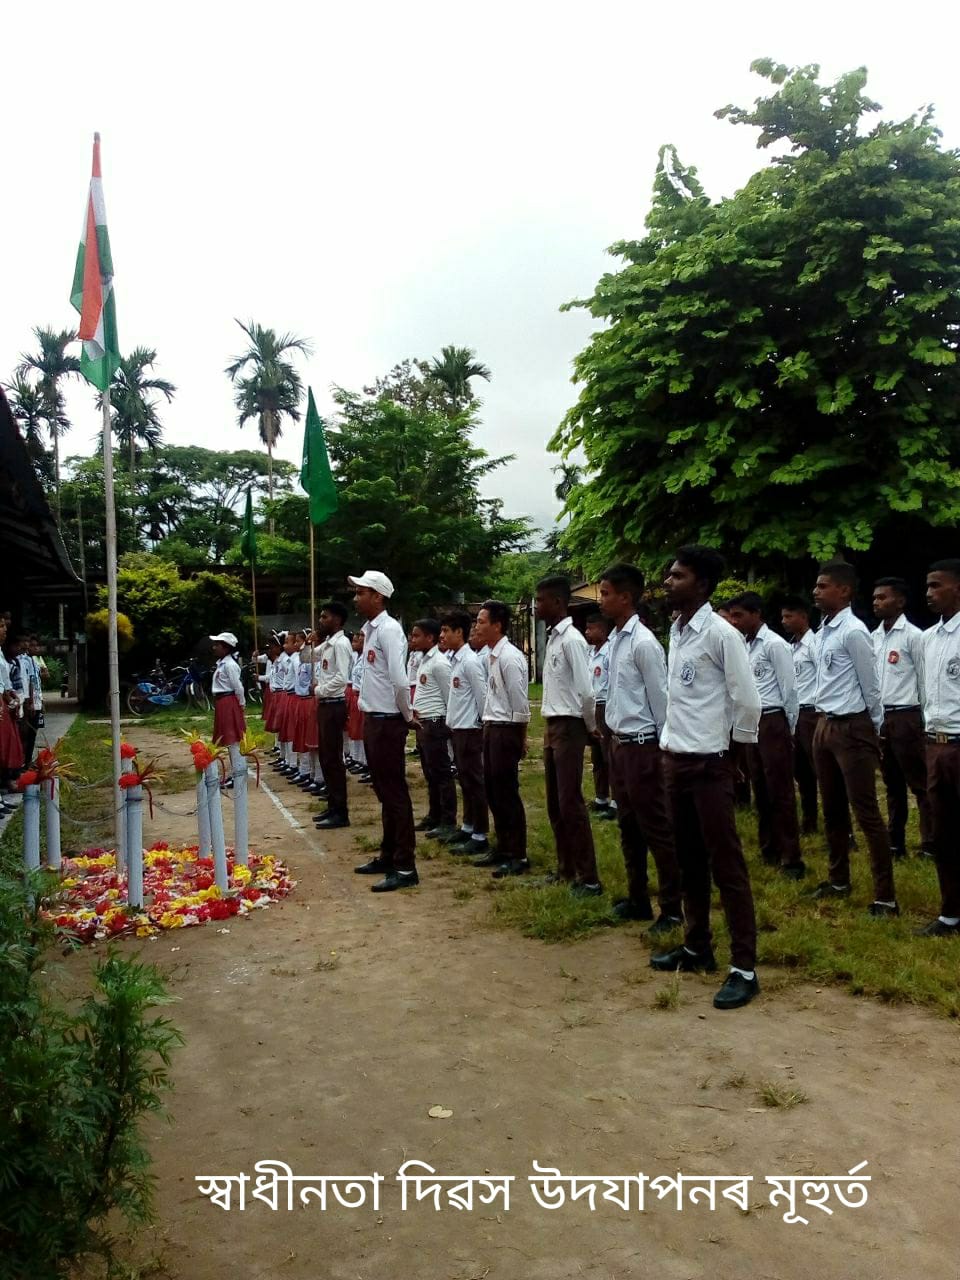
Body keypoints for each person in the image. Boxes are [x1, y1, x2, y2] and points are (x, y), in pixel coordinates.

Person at [651, 545, 762, 1011]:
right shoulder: (678, 631)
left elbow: (748, 701)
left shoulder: (721, 634)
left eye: (677, 576)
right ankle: (697, 946)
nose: (668, 581)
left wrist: (732, 757)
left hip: (709, 765)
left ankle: (744, 968)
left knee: (726, 865)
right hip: (675, 761)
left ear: (701, 584)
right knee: (688, 861)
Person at [810, 561, 898, 916]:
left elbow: (871, 685)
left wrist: (872, 729)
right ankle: (838, 879)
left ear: (844, 591)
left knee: (866, 812)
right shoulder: (824, 630)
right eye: (816, 586)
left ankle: (885, 896)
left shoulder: (853, 631)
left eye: (823, 586)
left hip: (852, 726)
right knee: (831, 808)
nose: (816, 591)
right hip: (825, 724)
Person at [599, 563, 683, 930]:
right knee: (628, 825)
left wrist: (662, 750)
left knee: (656, 828)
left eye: (606, 594)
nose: (601, 600)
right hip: (619, 745)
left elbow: (661, 700)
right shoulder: (616, 640)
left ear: (626, 597)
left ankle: (672, 908)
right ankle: (637, 898)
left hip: (642, 746)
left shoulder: (644, 643)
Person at [349, 570, 419, 891]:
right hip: (375, 718)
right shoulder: (372, 630)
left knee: (394, 794)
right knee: (384, 792)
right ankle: (389, 855)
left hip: (388, 720)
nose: (356, 598)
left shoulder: (389, 631)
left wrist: (406, 715)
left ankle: (405, 867)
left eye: (361, 592)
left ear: (378, 597)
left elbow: (399, 681)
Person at [726, 592, 804, 878]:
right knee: (760, 786)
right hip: (751, 722)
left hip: (772, 720)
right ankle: (769, 847)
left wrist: (789, 727)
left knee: (780, 789)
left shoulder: (774, 645)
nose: (734, 622)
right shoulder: (742, 646)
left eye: (739, 615)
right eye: (732, 616)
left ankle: (791, 856)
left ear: (756, 614)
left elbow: (789, 689)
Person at [536, 576, 602, 895]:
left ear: (558, 603)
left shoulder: (572, 640)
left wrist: (590, 727)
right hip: (553, 725)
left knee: (570, 801)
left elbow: (586, 691)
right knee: (555, 803)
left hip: (570, 725)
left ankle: (589, 877)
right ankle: (566, 868)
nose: (537, 606)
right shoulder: (553, 638)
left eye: (541, 600)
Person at [872, 577, 933, 858]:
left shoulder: (913, 636)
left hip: (907, 715)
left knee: (919, 783)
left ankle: (930, 842)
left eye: (883, 597)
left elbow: (924, 678)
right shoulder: (873, 637)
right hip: (882, 717)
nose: (876, 602)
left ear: (900, 601)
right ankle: (895, 842)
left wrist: (924, 719)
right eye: (874, 597)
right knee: (892, 783)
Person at [917, 559, 960, 936]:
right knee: (943, 833)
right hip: (936, 744)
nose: (928, 593)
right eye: (927, 586)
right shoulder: (928, 639)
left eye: (936, 585)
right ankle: (951, 912)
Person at [474, 599, 530, 878]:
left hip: (506, 728)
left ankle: (517, 853)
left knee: (506, 791)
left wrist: (520, 738)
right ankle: (503, 845)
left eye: (481, 622)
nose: (477, 627)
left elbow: (520, 703)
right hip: (492, 726)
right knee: (493, 790)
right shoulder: (492, 655)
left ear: (497, 626)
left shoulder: (509, 657)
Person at [440, 609, 490, 856]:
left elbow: (482, 696)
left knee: (474, 782)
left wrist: (480, 726)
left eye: (446, 631)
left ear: (459, 632)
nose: (442, 635)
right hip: (458, 728)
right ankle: (468, 826)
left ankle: (480, 834)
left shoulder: (470, 661)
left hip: (470, 729)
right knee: (465, 781)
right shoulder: (455, 660)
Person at [410, 618, 458, 839]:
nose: (413, 639)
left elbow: (450, 696)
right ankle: (434, 814)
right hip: (424, 723)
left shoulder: (439, 663)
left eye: (417, 635)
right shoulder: (424, 660)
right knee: (430, 773)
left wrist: (447, 724)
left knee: (441, 773)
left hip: (435, 722)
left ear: (430, 638)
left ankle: (448, 820)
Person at [313, 601, 354, 830]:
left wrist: (320, 690)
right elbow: (307, 658)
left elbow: (342, 677)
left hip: (334, 704)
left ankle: (340, 811)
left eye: (325, 617)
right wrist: (307, 644)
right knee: (326, 757)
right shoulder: (328, 643)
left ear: (337, 620)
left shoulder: (341, 644)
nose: (321, 621)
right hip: (325, 705)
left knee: (333, 758)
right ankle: (332, 805)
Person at [781, 595, 820, 834]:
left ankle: (841, 828)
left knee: (821, 770)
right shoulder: (790, 647)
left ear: (803, 617)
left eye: (789, 616)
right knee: (802, 772)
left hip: (812, 712)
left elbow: (824, 677)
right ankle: (809, 821)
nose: (784, 621)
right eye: (782, 617)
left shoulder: (814, 644)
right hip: (795, 714)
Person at [585, 611, 616, 821]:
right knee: (596, 754)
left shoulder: (609, 652)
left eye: (591, 628)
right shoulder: (591, 653)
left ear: (603, 630)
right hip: (593, 706)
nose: (587, 632)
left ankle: (616, 800)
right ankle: (601, 797)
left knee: (608, 755)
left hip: (605, 705)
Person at [210, 632, 247, 787]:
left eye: (217, 645)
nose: (214, 647)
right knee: (229, 739)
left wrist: (241, 704)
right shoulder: (222, 663)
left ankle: (238, 774)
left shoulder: (230, 665)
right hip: (223, 701)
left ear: (225, 648)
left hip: (229, 701)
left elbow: (238, 686)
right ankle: (236, 772)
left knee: (233, 739)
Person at [0, 618, 24, 809]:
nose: (4, 630)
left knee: (5, 748)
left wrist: (11, 697)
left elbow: (4, 681)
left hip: (4, 700)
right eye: (1, 626)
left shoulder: (0, 652)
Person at [345, 630, 369, 780]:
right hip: (355, 696)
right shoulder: (357, 657)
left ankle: (366, 762)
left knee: (363, 731)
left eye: (359, 639)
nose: (355, 642)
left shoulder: (367, 658)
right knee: (355, 729)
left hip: (363, 696)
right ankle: (358, 758)